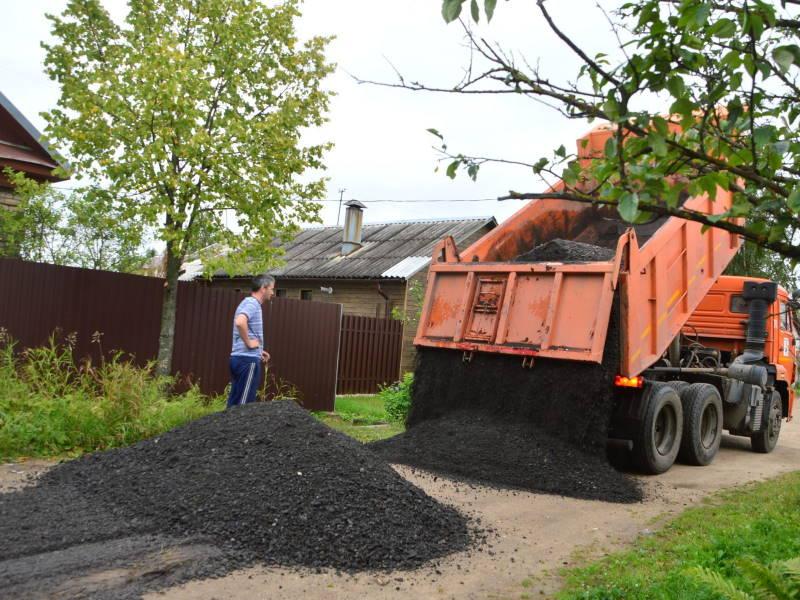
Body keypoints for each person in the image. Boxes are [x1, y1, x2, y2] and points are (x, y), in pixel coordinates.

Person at [227, 274, 274, 407]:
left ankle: (226, 428)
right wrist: (249, 343)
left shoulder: (247, 302)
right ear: (263, 288)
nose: (273, 292)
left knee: (234, 402)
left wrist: (259, 350)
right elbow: (240, 322)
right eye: (271, 288)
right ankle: (237, 428)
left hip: (239, 358)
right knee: (244, 406)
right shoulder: (252, 303)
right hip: (247, 361)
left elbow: (245, 327)